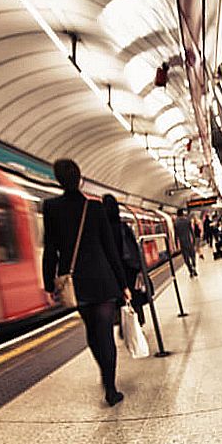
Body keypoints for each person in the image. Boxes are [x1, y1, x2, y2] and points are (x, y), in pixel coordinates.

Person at [43, 160, 130, 406]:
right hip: (103, 280)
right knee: (105, 334)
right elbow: (109, 248)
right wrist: (123, 283)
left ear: (58, 180)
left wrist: (49, 285)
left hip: (76, 282)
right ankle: (111, 388)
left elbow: (50, 249)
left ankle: (104, 372)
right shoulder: (95, 208)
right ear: (80, 179)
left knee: (92, 332)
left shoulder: (51, 208)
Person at [102, 194, 147, 328]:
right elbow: (134, 248)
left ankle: (124, 325)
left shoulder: (103, 230)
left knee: (120, 299)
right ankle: (138, 322)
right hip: (129, 268)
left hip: (114, 271)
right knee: (134, 297)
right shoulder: (124, 227)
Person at [173, 208, 198, 277]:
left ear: (177, 214)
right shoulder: (187, 221)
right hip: (189, 241)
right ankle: (194, 267)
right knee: (193, 256)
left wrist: (176, 244)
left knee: (186, 258)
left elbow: (176, 235)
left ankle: (190, 271)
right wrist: (194, 240)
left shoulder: (176, 223)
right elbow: (192, 232)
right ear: (183, 214)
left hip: (182, 243)